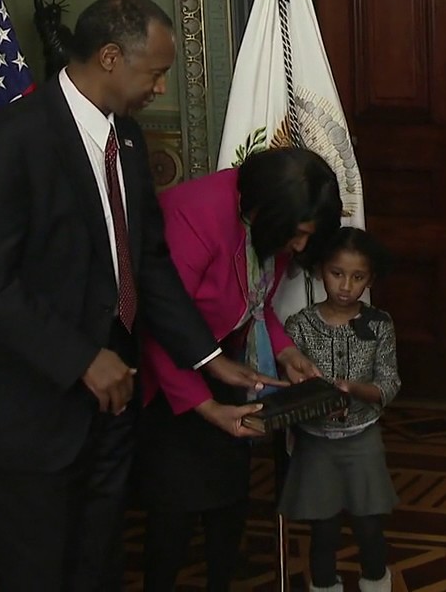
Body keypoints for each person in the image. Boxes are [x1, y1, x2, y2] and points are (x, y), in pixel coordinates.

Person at [0, 0, 279, 591]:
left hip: (110, 408)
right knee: (41, 572)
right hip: (30, 409)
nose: (160, 90)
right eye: (157, 73)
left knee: (99, 564)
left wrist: (208, 358)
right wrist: (79, 359)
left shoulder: (125, 138)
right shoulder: (16, 139)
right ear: (113, 57)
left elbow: (145, 261)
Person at [136, 146, 342, 591]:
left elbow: (256, 302)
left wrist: (285, 351)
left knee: (229, 501)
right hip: (167, 379)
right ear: (270, 209)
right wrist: (205, 406)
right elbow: (160, 325)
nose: (302, 246)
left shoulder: (272, 222)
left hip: (225, 366)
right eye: (299, 233)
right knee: (174, 510)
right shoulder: (195, 217)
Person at [278, 227, 400, 592]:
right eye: (337, 273)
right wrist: (314, 403)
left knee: (368, 524)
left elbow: (389, 384)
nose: (346, 285)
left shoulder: (379, 324)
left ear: (370, 279)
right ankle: (324, 585)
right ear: (319, 271)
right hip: (315, 444)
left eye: (358, 277)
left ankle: (376, 582)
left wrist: (355, 390)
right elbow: (288, 390)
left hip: (363, 440)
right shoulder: (298, 326)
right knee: (324, 528)